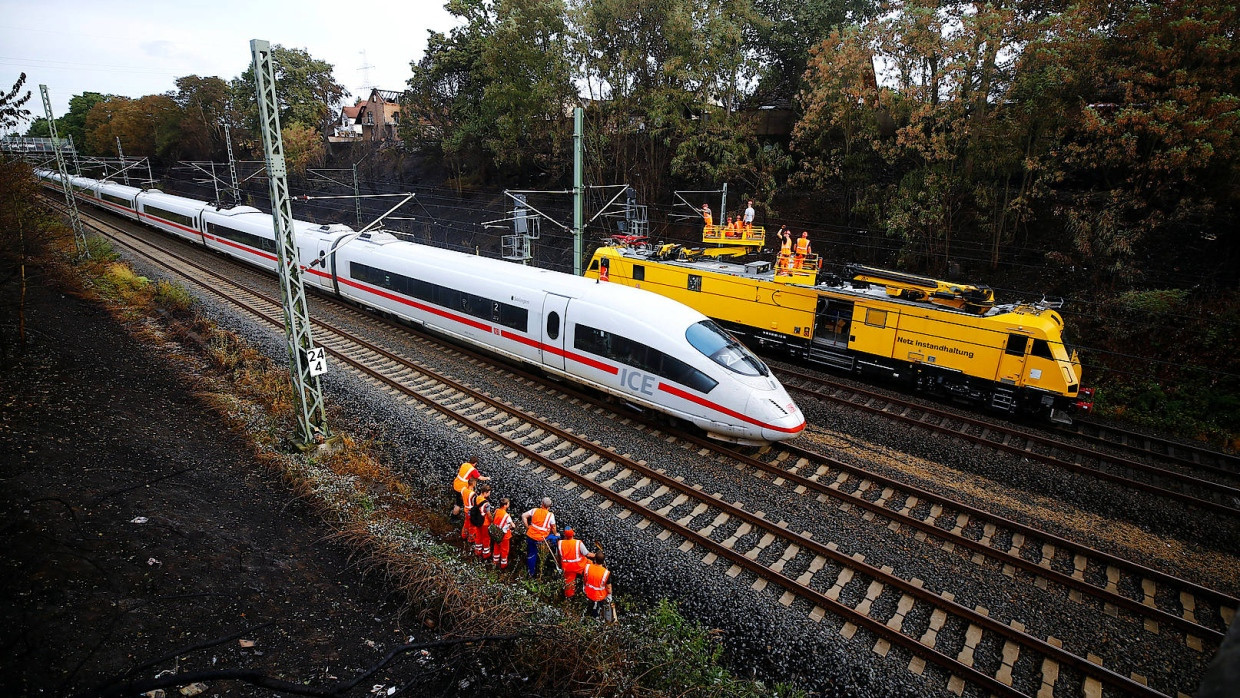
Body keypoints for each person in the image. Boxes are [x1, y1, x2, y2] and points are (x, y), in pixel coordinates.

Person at [522, 497, 558, 576]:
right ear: (549, 506)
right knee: (555, 538)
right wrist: (556, 534)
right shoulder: (550, 515)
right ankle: (552, 559)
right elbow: (554, 527)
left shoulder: (535, 510)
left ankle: (530, 572)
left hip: (530, 536)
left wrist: (527, 527)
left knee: (531, 553)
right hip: (541, 538)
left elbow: (524, 516)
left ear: (542, 504)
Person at [557, 527, 596, 598]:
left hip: (567, 568)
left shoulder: (560, 543)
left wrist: (560, 565)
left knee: (569, 584)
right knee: (591, 566)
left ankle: (569, 597)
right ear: (573, 534)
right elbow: (587, 554)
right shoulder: (578, 543)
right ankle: (590, 584)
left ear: (564, 535)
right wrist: (596, 555)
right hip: (580, 565)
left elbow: (558, 556)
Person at [583, 552, 613, 620]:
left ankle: (587, 615)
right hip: (600, 596)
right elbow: (608, 587)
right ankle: (596, 617)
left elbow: (584, 579)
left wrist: (584, 587)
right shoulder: (606, 573)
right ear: (603, 561)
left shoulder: (587, 567)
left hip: (588, 593)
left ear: (595, 559)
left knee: (589, 606)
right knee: (598, 609)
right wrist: (609, 595)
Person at [489, 498, 514, 569]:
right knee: (505, 550)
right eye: (508, 503)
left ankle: (495, 562)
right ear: (505, 505)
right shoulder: (507, 516)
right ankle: (503, 565)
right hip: (504, 536)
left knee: (496, 548)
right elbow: (513, 525)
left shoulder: (497, 511)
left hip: (496, 533)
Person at [469, 483, 492, 559]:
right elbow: (488, 514)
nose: (489, 494)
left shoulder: (476, 498)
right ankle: (486, 553)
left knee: (478, 535)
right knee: (486, 538)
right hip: (485, 522)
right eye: (489, 493)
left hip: (477, 520)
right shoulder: (486, 503)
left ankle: (477, 550)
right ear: (485, 493)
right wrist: (492, 521)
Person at [459, 476, 477, 553]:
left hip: (465, 508)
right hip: (471, 510)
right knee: (472, 526)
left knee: (466, 523)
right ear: (473, 484)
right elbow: (475, 503)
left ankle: (464, 535)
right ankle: (471, 539)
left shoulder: (463, 490)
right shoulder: (472, 494)